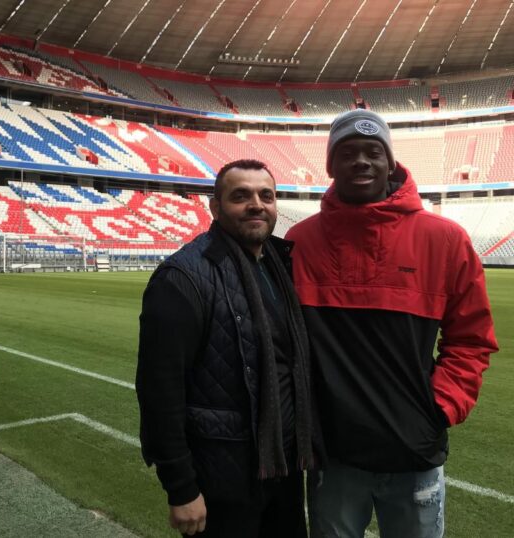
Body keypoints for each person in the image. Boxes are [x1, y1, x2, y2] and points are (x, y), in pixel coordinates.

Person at [285, 109, 498, 538]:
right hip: (333, 455)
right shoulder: (298, 243)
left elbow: (471, 339)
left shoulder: (445, 239)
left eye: (373, 151)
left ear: (390, 162)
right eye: (347, 153)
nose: (361, 161)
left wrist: (440, 408)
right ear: (331, 165)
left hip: (413, 452)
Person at [136, 159, 324, 537]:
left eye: (266, 196)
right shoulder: (182, 277)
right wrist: (181, 487)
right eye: (241, 196)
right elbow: (160, 389)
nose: (257, 205)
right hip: (222, 477)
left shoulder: (278, 265)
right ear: (215, 207)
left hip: (283, 468)